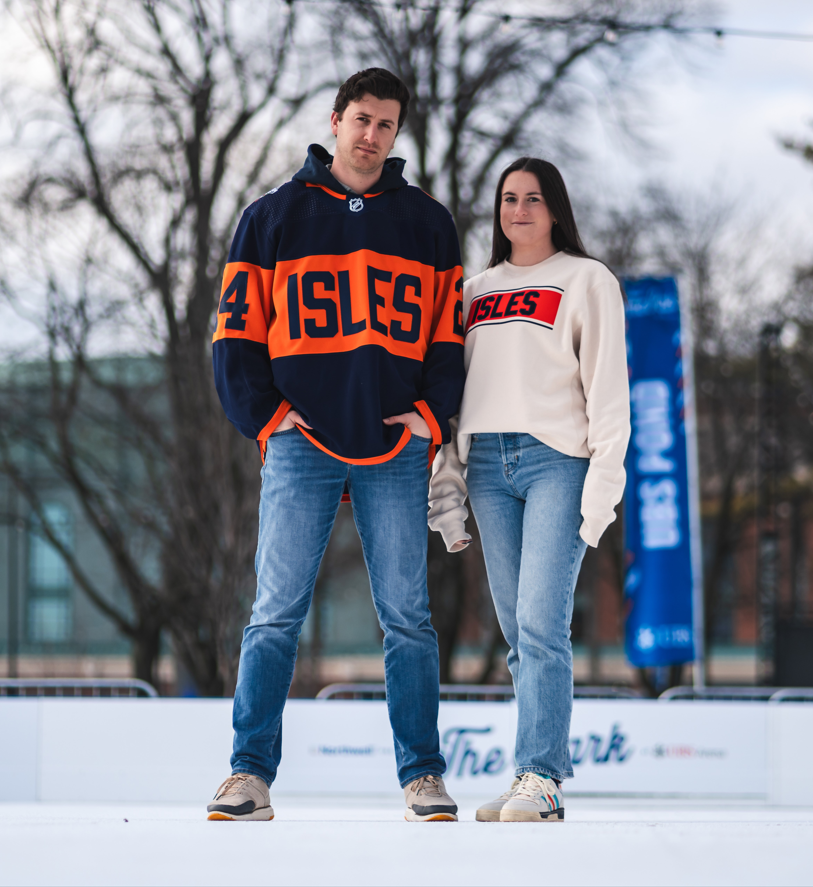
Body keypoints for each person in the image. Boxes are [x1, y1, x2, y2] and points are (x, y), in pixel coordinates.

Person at [209, 68, 465, 822]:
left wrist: (431, 414)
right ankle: (247, 774)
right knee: (274, 611)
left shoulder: (426, 223)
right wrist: (266, 417)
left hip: (393, 445)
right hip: (302, 441)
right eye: (360, 118)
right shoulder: (273, 215)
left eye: (386, 124)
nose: (370, 135)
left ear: (397, 134)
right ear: (335, 119)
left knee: (407, 618)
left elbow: (449, 337)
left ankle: (422, 774)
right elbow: (233, 333)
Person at [428, 157, 630, 822]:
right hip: (487, 463)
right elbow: (457, 402)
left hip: (556, 462)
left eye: (533, 198)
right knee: (519, 631)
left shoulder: (586, 279)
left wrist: (600, 494)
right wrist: (448, 485)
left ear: (555, 208)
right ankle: (527, 775)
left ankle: (542, 778)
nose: (518, 210)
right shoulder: (474, 289)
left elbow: (607, 396)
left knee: (542, 623)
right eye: (508, 198)